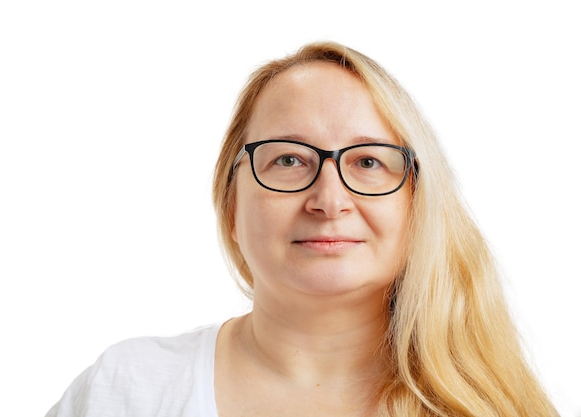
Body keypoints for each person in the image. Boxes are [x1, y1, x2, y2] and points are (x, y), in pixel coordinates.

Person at [46, 41, 559, 417]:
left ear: (418, 204)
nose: (329, 200)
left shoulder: (494, 407)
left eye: (368, 162)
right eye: (289, 159)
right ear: (231, 204)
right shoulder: (126, 389)